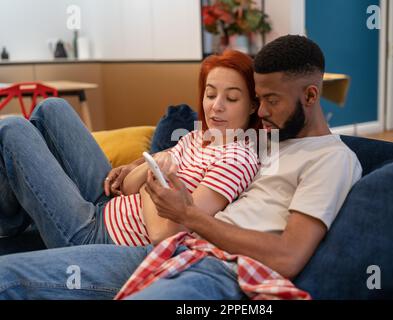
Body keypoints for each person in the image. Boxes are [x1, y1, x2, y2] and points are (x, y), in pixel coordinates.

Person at [0, 35, 362, 300]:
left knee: (14, 129)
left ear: (311, 96)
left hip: (199, 258)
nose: (264, 112)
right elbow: (180, 155)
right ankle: (14, 226)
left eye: (270, 101)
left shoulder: (331, 158)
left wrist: (181, 207)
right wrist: (141, 166)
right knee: (50, 110)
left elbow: (289, 256)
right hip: (168, 240)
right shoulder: (266, 138)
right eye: (261, 100)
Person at [0, 50, 260, 248]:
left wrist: (149, 177)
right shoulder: (195, 137)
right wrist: (149, 170)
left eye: (232, 98)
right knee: (51, 108)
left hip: (96, 237)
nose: (217, 106)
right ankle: (13, 219)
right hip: (107, 203)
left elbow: (170, 233)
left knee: (12, 128)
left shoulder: (237, 158)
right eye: (211, 94)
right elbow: (126, 187)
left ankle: (9, 223)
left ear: (252, 105)